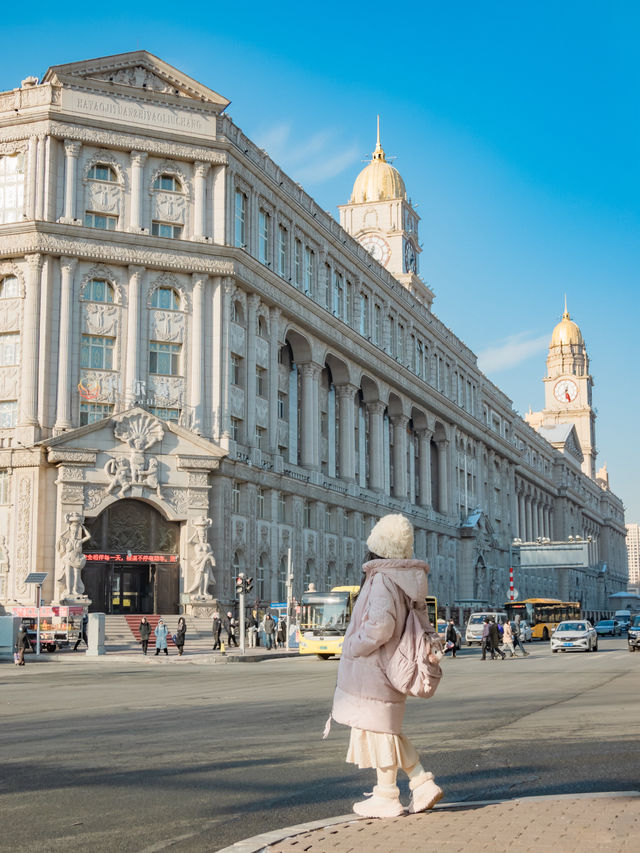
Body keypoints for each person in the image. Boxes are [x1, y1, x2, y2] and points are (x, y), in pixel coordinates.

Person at [327, 513, 444, 818]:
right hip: (390, 667)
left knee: (379, 731)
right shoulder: (403, 579)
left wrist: (353, 645)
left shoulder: (382, 579)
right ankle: (417, 783)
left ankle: (389, 795)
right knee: (385, 730)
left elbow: (379, 626)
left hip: (375, 668)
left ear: (377, 546)